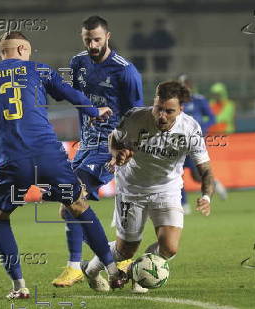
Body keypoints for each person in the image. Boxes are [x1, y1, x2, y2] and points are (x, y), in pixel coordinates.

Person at [0, 31, 128, 299]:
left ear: (2, 52)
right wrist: (94, 111)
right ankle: (112, 269)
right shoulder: (39, 69)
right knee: (78, 204)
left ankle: (19, 286)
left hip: (12, 161)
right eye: (28, 50)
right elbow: (72, 94)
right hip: (48, 155)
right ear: (21, 48)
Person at [82, 81, 214, 293]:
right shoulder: (135, 118)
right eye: (158, 108)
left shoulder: (190, 129)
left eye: (169, 111)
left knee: (169, 248)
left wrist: (206, 197)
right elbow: (113, 139)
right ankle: (90, 270)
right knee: (125, 250)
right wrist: (117, 153)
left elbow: (206, 170)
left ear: (181, 109)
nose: (161, 115)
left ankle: (138, 272)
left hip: (167, 190)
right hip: (131, 189)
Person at [52, 15, 144, 289]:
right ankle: (109, 263)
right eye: (87, 40)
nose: (92, 44)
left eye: (97, 39)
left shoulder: (125, 71)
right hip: (84, 145)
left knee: (71, 197)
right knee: (67, 210)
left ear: (108, 37)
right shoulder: (77, 62)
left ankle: (76, 267)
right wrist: (56, 83)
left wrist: (127, 149)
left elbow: (137, 115)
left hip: (110, 146)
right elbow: (68, 94)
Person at [178, 75, 227, 214]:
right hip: (179, 143)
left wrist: (201, 127)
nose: (183, 88)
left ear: (190, 86)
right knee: (177, 174)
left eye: (185, 85)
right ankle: (184, 205)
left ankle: (214, 183)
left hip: (195, 142)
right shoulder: (175, 102)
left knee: (196, 176)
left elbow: (211, 117)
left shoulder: (199, 100)